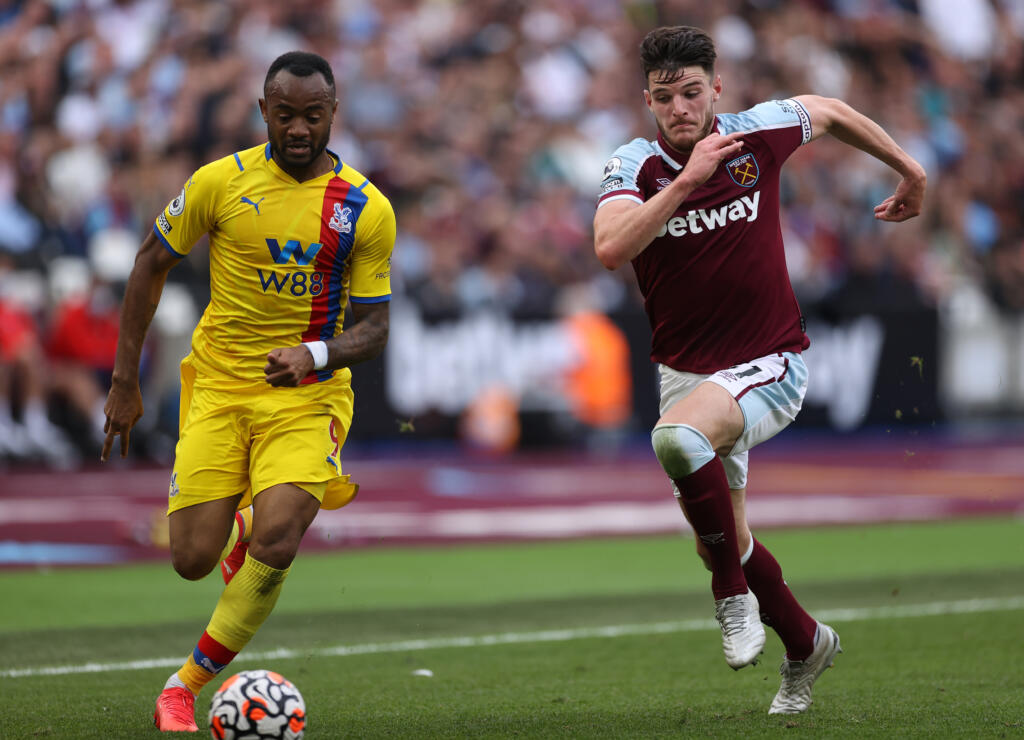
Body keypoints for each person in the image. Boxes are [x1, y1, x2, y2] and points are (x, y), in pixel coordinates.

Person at [592, 26, 925, 715]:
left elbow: (829, 111)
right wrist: (688, 182)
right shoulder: (634, 164)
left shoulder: (758, 132)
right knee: (726, 540)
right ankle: (806, 643)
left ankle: (730, 600)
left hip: (770, 360)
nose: (680, 108)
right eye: (664, 98)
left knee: (675, 443)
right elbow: (610, 247)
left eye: (691, 92)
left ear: (716, 87)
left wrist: (910, 169)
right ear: (647, 101)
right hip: (689, 374)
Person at [102, 51, 395, 732]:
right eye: (285, 114)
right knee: (191, 560)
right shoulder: (219, 182)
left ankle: (183, 686)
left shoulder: (364, 208)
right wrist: (125, 380)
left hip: (308, 396)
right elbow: (150, 263)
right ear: (264, 110)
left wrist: (316, 353)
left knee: (283, 534)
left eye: (312, 116)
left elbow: (377, 326)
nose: (298, 129)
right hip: (220, 388)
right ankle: (234, 524)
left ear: (333, 114)